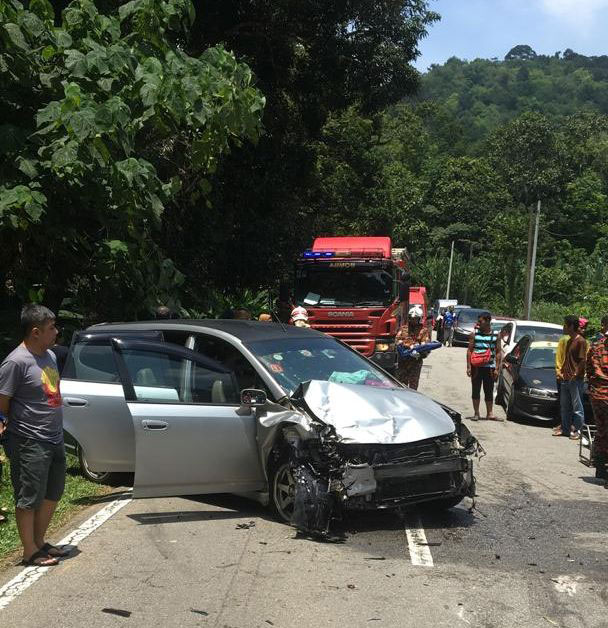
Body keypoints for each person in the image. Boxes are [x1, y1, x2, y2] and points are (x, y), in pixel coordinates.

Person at [0, 305, 71, 566]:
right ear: (35, 332)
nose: (56, 332)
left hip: (54, 437)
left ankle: (39, 542)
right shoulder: (16, 361)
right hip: (29, 440)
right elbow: (2, 402)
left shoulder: (49, 357)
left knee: (54, 491)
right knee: (29, 496)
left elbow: (50, 395)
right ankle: (29, 551)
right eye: (51, 328)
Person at [553, 315, 587, 440]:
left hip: (575, 379)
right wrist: (561, 373)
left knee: (577, 407)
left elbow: (582, 360)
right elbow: (567, 359)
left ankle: (577, 430)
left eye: (565, 325)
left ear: (572, 326)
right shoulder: (568, 341)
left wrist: (576, 374)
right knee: (565, 406)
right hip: (565, 378)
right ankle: (565, 429)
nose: (564, 327)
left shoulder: (581, 341)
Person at [586, 314, 608, 488]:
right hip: (603, 395)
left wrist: (593, 386)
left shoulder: (594, 346)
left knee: (602, 430)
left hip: (597, 395)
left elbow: (588, 369)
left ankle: (600, 468)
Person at [467, 312, 502, 421]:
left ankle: (489, 413)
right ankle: (476, 413)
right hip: (476, 367)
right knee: (476, 389)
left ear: (487, 321)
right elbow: (469, 350)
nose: (478, 323)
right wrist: (468, 367)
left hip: (490, 367)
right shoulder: (474, 334)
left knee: (489, 390)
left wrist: (497, 368)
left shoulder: (496, 334)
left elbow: (498, 352)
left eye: (480, 321)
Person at [395, 305, 430, 391]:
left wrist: (420, 354)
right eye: (412, 318)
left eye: (416, 318)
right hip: (403, 362)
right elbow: (397, 340)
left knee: (413, 387)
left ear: (419, 318)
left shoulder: (423, 331)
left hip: (416, 363)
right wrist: (405, 346)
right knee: (401, 385)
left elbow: (426, 347)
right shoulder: (404, 329)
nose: (414, 320)